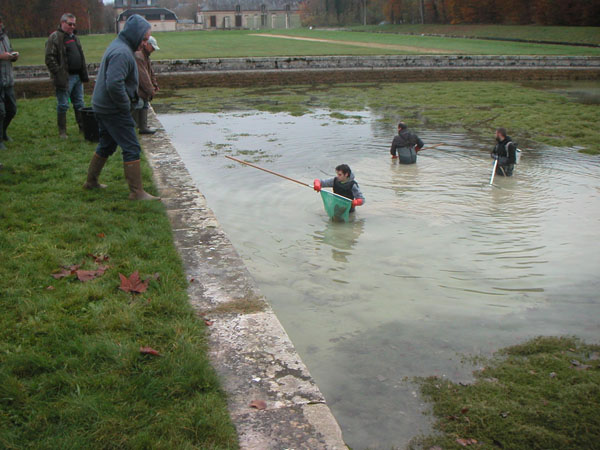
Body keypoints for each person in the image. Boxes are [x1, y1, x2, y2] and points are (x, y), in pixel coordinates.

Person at [83, 14, 159, 201]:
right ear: (135, 35)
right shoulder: (122, 53)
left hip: (103, 107)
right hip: (112, 109)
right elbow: (114, 84)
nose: (144, 43)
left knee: (107, 144)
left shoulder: (120, 46)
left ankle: (91, 182)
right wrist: (125, 105)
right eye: (143, 39)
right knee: (132, 146)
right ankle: (137, 192)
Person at [45, 13, 89, 139]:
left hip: (77, 76)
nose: (72, 26)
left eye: (74, 24)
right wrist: (58, 73)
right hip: (65, 77)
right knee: (63, 104)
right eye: (70, 24)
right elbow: (49, 58)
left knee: (79, 103)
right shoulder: (55, 37)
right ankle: (62, 131)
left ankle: (82, 128)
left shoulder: (74, 37)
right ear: (62, 23)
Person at [133, 35, 159, 134]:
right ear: (146, 44)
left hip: (142, 89)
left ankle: (143, 127)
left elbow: (150, 72)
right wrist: (150, 90)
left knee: (144, 105)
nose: (153, 50)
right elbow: (143, 77)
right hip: (137, 89)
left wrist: (155, 84)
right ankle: (134, 128)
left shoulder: (146, 56)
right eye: (152, 47)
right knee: (139, 104)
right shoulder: (139, 56)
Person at [0, 14, 18, 151]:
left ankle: (3, 131)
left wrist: (13, 56)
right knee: (0, 112)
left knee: (12, 109)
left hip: (8, 80)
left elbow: (9, 51)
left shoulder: (5, 37)